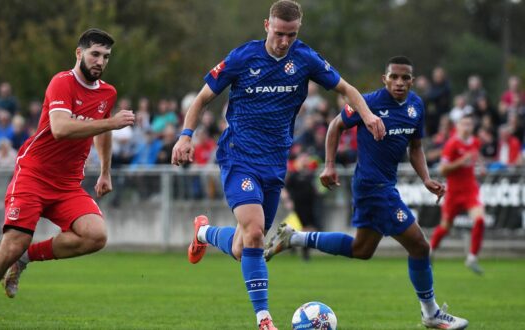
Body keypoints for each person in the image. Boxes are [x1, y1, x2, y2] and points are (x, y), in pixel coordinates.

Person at [171, 1, 385, 329]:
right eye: (280, 33)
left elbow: (346, 89)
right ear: (266, 25)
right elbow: (201, 99)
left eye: (292, 34)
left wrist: (368, 116)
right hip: (238, 157)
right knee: (256, 232)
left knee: (246, 247)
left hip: (274, 162)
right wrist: (186, 136)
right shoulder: (244, 57)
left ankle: (202, 232)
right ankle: (264, 318)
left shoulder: (305, 58)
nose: (284, 41)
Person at [0, 28, 135, 330]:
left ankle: (25, 259)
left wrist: (106, 171)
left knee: (96, 235)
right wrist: (111, 121)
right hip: (34, 174)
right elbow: (60, 128)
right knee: (11, 244)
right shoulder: (62, 82)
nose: (100, 61)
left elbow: (103, 131)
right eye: (95, 54)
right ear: (79, 53)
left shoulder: (107, 93)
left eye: (106, 57)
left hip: (67, 184)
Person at [264, 56, 468, 329]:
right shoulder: (368, 103)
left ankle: (295, 237)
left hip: (384, 185)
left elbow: (416, 146)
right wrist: (329, 165)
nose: (399, 82)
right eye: (393, 77)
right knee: (419, 245)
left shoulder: (416, 106)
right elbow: (335, 125)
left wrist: (426, 178)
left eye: (404, 78)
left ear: (412, 81)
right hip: (373, 187)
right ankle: (430, 312)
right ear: (385, 79)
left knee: (362, 249)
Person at [430, 114, 485, 275]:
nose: (467, 127)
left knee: (480, 220)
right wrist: (461, 162)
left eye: (469, 124)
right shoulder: (452, 144)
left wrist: (481, 165)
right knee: (445, 227)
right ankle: (430, 251)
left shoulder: (474, 141)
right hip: (453, 192)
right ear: (458, 126)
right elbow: (442, 169)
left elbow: (476, 154)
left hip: (470, 190)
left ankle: (472, 257)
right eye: (464, 124)